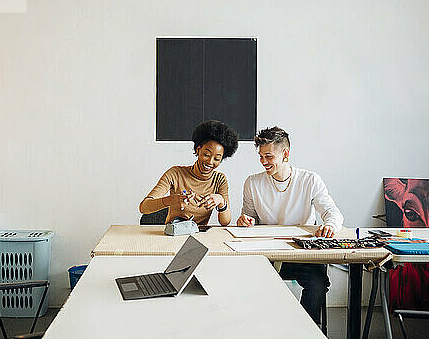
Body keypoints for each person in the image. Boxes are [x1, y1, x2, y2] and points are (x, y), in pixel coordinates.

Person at [236, 126, 343, 323]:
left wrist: (330, 225)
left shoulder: (310, 180)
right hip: (268, 254)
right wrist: (244, 220)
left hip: (303, 254)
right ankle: (265, 328)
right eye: (260, 156)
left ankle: (304, 329)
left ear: (285, 154)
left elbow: (333, 213)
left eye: (268, 156)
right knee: (249, 282)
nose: (263, 162)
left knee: (317, 284)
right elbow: (248, 216)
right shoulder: (252, 182)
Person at [140, 120, 239, 226]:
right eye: (206, 154)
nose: (210, 162)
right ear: (198, 150)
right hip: (174, 234)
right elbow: (144, 207)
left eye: (217, 158)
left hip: (200, 235)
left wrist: (221, 202)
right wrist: (170, 200)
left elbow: (225, 222)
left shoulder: (219, 180)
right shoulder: (175, 174)